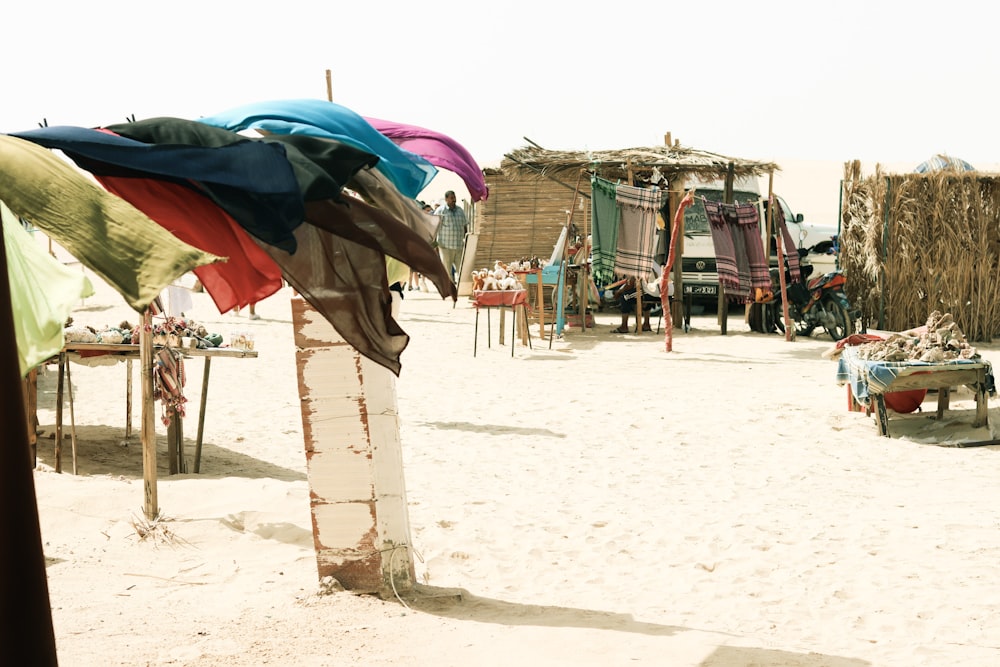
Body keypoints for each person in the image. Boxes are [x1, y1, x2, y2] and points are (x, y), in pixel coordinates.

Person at [610, 263, 672, 333]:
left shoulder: (639, 262)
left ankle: (624, 327)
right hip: (667, 293)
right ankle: (646, 324)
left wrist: (619, 292)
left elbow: (630, 284)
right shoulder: (653, 263)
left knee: (625, 297)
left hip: (655, 292)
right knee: (643, 293)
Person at [434, 190, 468, 282]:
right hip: (445, 247)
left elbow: (465, 227)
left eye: (454, 197)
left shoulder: (460, 211)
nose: (454, 200)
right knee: (447, 271)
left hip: (459, 247)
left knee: (461, 270)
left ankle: (461, 290)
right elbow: (434, 228)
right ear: (446, 199)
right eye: (452, 198)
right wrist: (434, 244)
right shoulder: (440, 211)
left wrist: (466, 242)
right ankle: (450, 290)